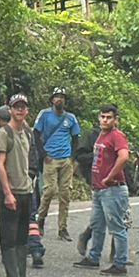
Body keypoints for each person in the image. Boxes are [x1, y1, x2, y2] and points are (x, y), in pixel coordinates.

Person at [0, 94, 39, 277]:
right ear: (9, 110)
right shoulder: (4, 133)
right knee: (9, 239)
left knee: (22, 237)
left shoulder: (27, 133)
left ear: (27, 111)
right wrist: (7, 193)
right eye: (16, 107)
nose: (20, 110)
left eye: (23, 107)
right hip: (10, 193)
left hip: (26, 191)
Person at [82, 104, 131, 276]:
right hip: (99, 189)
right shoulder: (101, 136)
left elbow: (124, 156)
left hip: (113, 189)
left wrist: (110, 176)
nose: (105, 120)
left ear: (115, 119)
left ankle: (120, 263)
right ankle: (93, 257)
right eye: (102, 117)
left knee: (116, 227)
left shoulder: (117, 136)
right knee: (97, 225)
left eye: (109, 117)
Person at [34, 87, 80, 241]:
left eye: (62, 97)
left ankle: (63, 228)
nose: (59, 99)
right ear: (52, 100)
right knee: (49, 191)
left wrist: (72, 158)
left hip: (65, 159)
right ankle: (40, 219)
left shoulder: (71, 118)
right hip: (50, 158)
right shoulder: (44, 115)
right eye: (56, 97)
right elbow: (36, 134)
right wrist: (43, 155)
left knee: (65, 194)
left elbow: (76, 138)